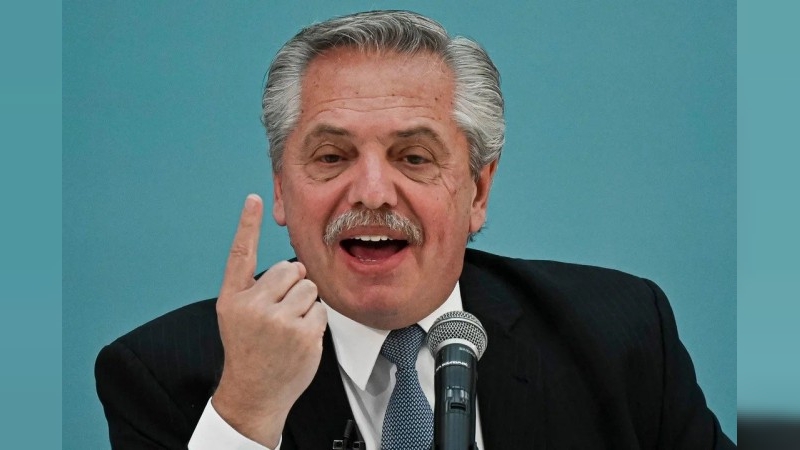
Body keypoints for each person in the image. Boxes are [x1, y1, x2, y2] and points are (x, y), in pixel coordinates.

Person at [95, 10, 735, 450]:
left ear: (478, 190)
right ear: (283, 188)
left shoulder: (618, 336)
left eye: (414, 157)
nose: (372, 192)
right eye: (332, 156)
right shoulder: (168, 374)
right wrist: (247, 413)